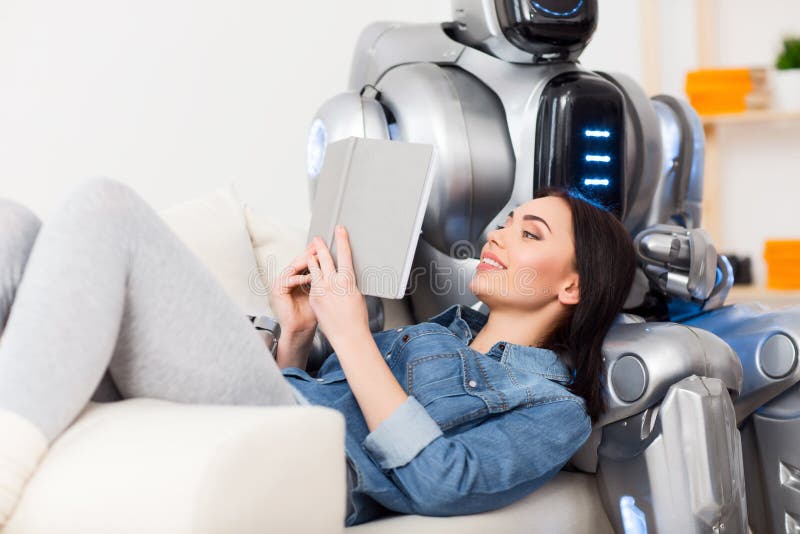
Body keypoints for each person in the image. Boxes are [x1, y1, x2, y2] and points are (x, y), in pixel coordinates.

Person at [0, 177, 636, 527]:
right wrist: (298, 337)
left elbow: (445, 483)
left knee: (105, 209)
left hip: (298, 444)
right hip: (276, 404)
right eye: (507, 220)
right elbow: (308, 394)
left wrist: (353, 334)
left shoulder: (555, 407)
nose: (499, 235)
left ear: (572, 285)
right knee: (14, 226)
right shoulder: (440, 330)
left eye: (530, 232)